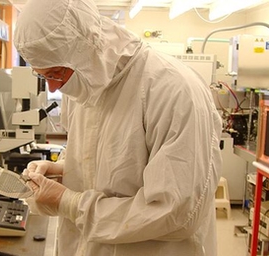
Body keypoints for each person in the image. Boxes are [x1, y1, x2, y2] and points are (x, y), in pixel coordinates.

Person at [14, 0, 223, 255]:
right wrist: (62, 172)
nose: (53, 88)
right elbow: (110, 167)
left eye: (56, 73)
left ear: (86, 48)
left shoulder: (173, 90)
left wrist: (67, 202)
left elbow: (177, 212)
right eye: (43, 76)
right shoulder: (84, 83)